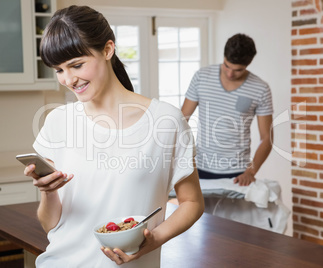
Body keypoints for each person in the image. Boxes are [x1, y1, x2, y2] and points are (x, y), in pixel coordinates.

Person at [24, 5, 204, 267]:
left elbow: (192, 202)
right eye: (59, 70)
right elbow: (50, 224)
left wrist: (155, 238)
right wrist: (49, 193)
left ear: (108, 50)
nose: (68, 79)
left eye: (76, 65)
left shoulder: (166, 122)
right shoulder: (58, 122)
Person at [181, 33, 273, 186]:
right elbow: (182, 120)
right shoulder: (201, 77)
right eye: (227, 66)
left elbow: (267, 138)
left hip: (238, 173)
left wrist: (250, 172)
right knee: (201, 211)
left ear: (248, 64)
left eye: (238, 70)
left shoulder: (261, 88)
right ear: (223, 57)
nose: (230, 73)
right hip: (200, 168)